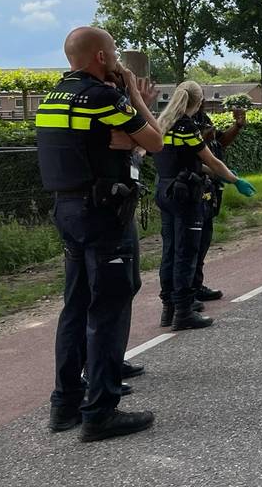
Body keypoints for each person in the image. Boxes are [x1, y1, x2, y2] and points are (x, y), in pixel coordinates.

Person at [37, 26, 163, 442]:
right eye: (113, 53)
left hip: (67, 210)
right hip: (104, 213)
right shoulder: (103, 98)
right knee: (108, 308)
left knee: (75, 305)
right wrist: (138, 100)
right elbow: (156, 141)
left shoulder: (51, 98)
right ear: (101, 58)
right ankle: (101, 411)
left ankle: (65, 404)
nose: (119, 61)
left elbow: (97, 143)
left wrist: (127, 142)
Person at [155, 82, 255, 331]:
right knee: (187, 252)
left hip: (165, 189)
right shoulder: (187, 126)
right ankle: (184, 311)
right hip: (186, 194)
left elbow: (186, 162)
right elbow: (208, 160)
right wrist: (234, 179)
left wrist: (225, 176)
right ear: (198, 102)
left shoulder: (162, 124)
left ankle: (168, 309)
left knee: (169, 250)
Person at [192, 106, 246, 300]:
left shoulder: (203, 118)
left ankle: (195, 286)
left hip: (210, 188)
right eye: (199, 98)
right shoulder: (182, 123)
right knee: (191, 243)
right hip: (194, 189)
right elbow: (195, 157)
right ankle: (185, 294)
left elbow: (220, 142)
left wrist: (237, 126)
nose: (202, 102)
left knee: (204, 238)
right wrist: (227, 176)